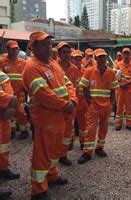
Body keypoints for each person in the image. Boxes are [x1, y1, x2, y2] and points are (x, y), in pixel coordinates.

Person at [22, 31, 76, 199]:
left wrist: (73, 99)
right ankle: (38, 190)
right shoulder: (32, 67)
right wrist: (65, 104)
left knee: (54, 151)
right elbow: (43, 94)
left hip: (60, 117)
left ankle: (52, 176)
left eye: (50, 44)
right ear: (34, 47)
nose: (49, 47)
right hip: (46, 120)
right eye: (45, 44)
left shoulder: (53, 64)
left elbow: (68, 83)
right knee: (42, 154)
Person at [78, 48, 119, 164]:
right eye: (99, 57)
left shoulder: (111, 72)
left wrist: (111, 103)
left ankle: (100, 148)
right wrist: (89, 103)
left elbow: (113, 90)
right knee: (90, 129)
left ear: (105, 58)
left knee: (104, 128)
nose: (101, 59)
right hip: (93, 106)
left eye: (103, 57)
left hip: (106, 106)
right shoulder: (89, 71)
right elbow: (85, 87)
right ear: (95, 59)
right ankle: (87, 152)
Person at [0, 40, 29, 140]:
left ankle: (24, 130)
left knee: (20, 111)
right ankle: (11, 130)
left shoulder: (23, 62)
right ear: (7, 49)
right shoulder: (2, 62)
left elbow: (27, 77)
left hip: (20, 93)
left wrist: (26, 90)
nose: (15, 51)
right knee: (9, 112)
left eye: (16, 49)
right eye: (13, 49)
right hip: (7, 93)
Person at [57, 42, 79, 166]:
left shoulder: (75, 69)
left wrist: (74, 101)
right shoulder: (53, 67)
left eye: (68, 52)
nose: (66, 55)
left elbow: (75, 87)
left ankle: (63, 155)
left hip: (71, 105)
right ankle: (54, 154)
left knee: (67, 132)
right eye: (64, 52)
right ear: (59, 54)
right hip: (57, 105)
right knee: (56, 131)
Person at [0, 67, 20, 181]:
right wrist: (10, 100)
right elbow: (10, 97)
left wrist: (9, 107)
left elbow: (9, 89)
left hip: (3, 115)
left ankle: (3, 168)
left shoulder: (2, 74)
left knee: (4, 144)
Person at [113, 47, 131, 131]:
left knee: (128, 108)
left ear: (130, 55)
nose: (126, 55)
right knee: (119, 107)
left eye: (128, 54)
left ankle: (128, 124)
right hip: (119, 89)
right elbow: (114, 77)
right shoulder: (117, 65)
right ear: (122, 55)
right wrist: (120, 84)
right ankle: (118, 124)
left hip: (128, 90)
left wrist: (126, 84)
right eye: (125, 53)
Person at [71, 50, 88, 149]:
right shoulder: (68, 70)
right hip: (71, 102)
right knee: (70, 124)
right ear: (72, 59)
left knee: (83, 124)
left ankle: (83, 142)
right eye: (75, 59)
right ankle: (69, 142)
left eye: (79, 59)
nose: (78, 61)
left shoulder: (85, 72)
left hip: (82, 102)